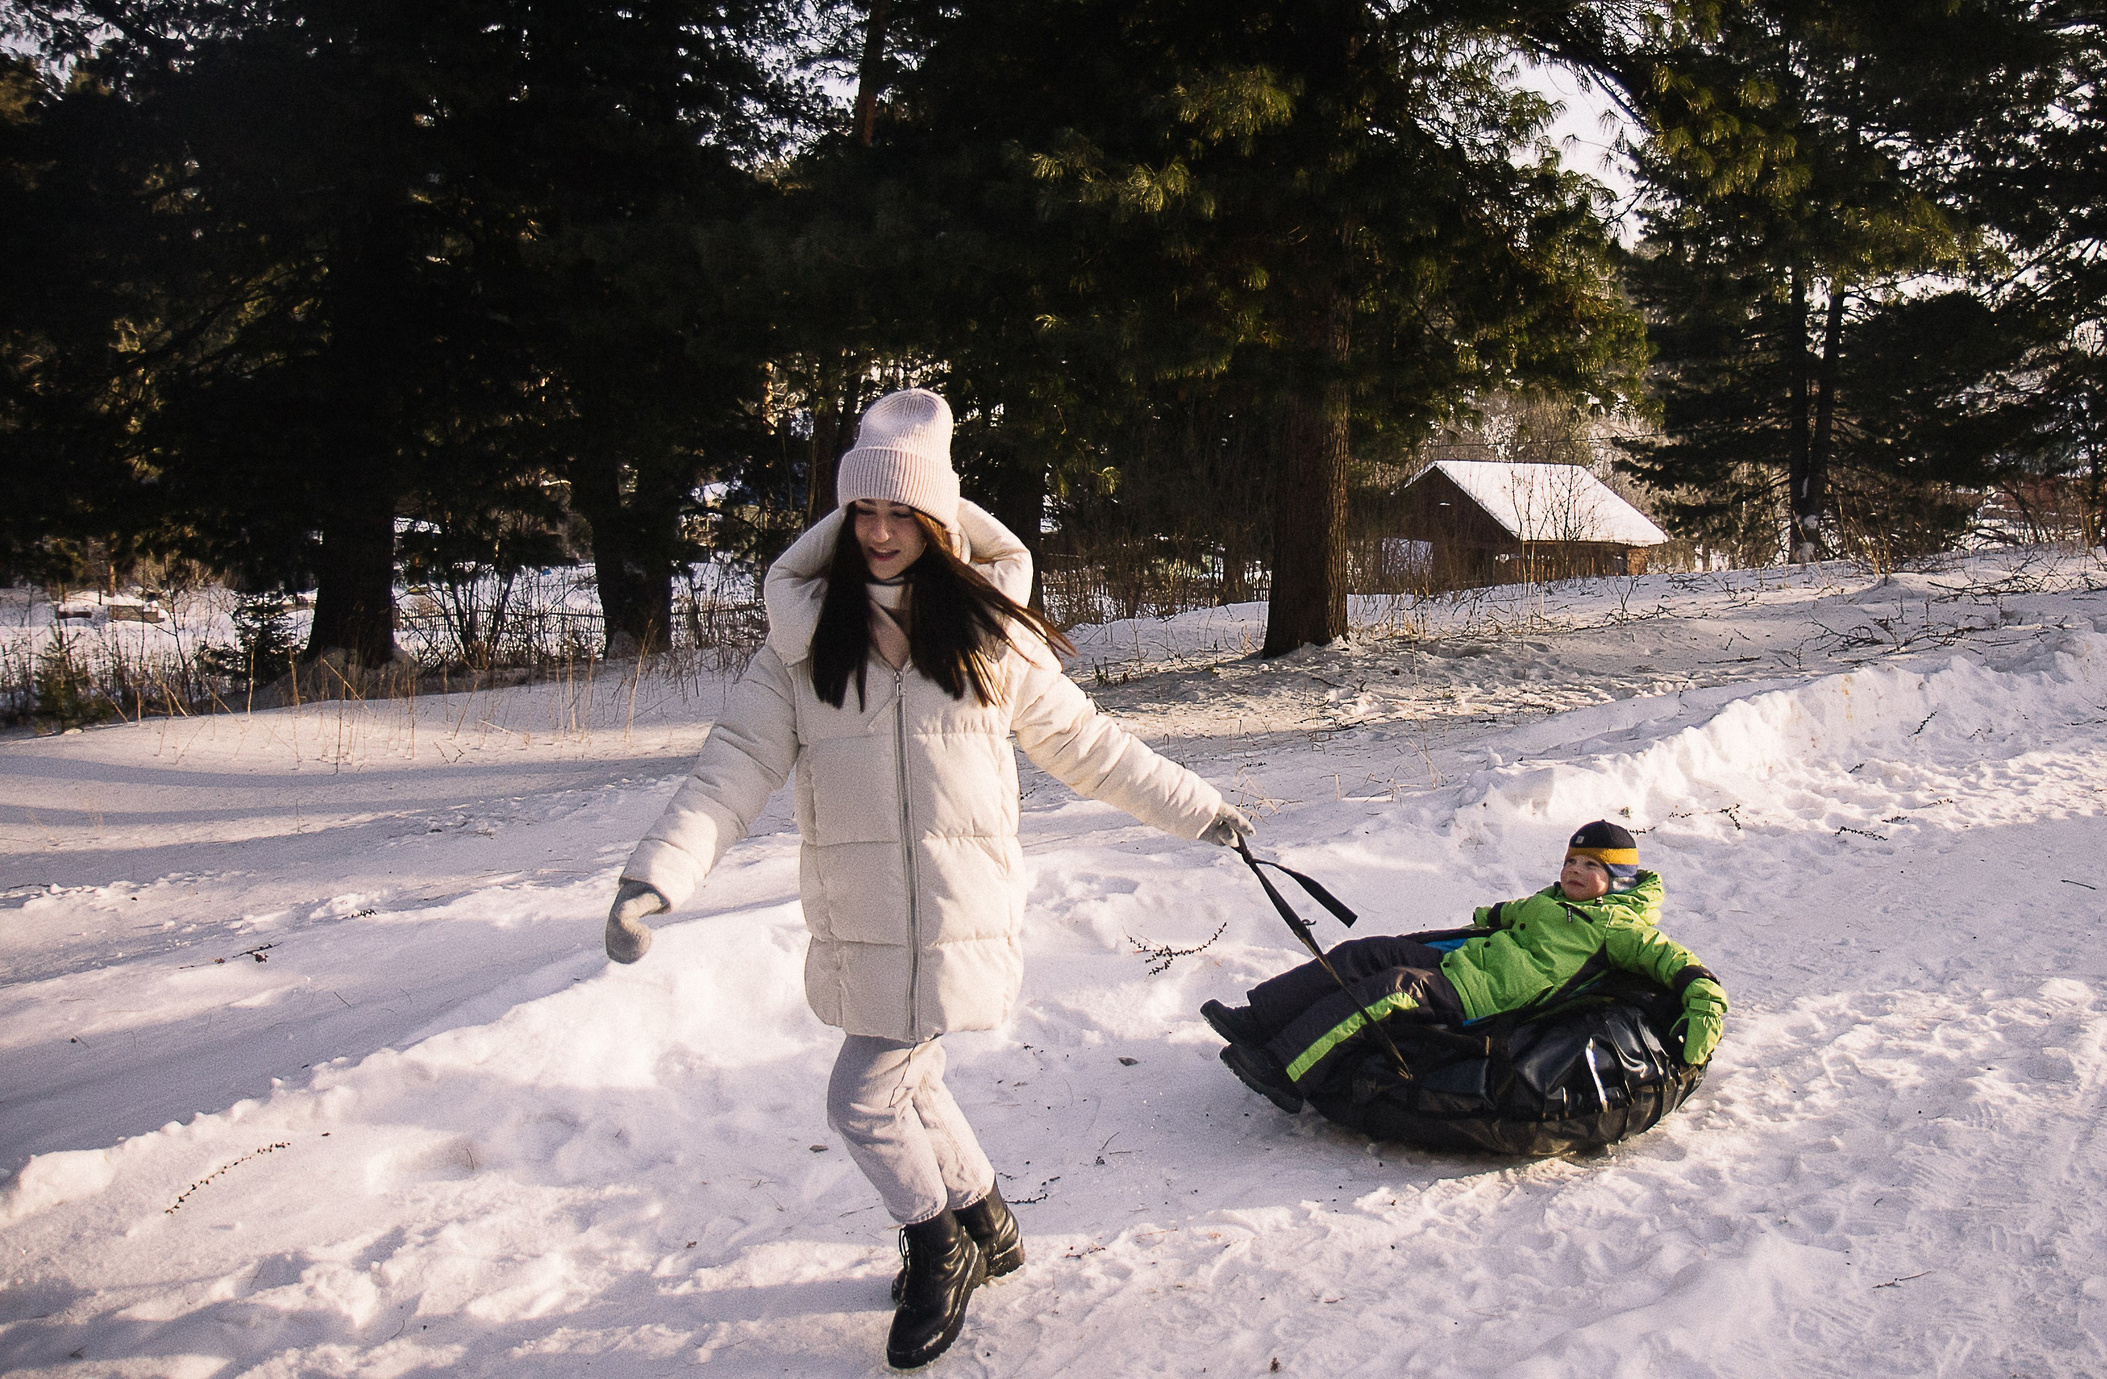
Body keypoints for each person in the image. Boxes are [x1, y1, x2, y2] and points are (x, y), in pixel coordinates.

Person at [602, 389, 1250, 1371]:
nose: (878, 531)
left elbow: (1089, 747)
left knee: (863, 1100)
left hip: (959, 914)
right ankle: (984, 1216)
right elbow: (730, 770)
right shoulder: (805, 643)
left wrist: (1198, 807)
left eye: (899, 513)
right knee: (913, 1082)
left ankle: (933, 1241)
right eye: (863, 512)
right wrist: (659, 876)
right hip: (861, 919)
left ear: (937, 522)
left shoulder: (989, 639)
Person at [1200, 820, 1724, 1111]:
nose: (1575, 872)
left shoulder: (1621, 928)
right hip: (1466, 963)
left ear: (1621, 881)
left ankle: (1288, 1071)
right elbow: (1511, 914)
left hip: (1483, 1000)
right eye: (1571, 861)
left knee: (1389, 989)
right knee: (1368, 952)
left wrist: (1702, 1021)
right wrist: (1489, 917)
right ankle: (1262, 1017)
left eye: (1593, 867)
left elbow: (1690, 974)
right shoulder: (1552, 901)